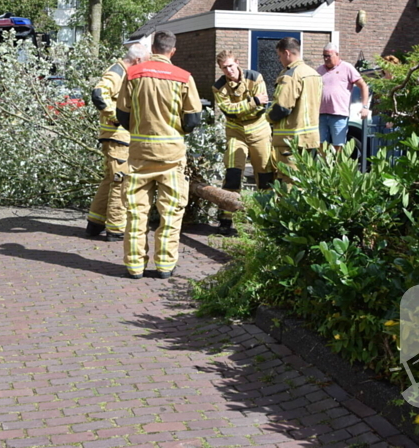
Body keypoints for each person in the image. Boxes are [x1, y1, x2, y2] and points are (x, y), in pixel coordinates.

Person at [116, 31, 202, 279]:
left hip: (139, 154)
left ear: (152, 48)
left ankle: (134, 266)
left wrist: (139, 129)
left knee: (135, 212)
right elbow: (193, 119)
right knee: (172, 213)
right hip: (172, 156)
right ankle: (164, 266)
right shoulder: (184, 77)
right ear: (172, 51)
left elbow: (122, 114)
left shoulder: (133, 74)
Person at [86, 42, 149, 241]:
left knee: (110, 179)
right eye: (145, 61)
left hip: (115, 136)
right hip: (117, 136)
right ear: (138, 60)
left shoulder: (122, 72)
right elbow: (99, 94)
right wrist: (118, 117)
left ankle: (95, 223)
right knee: (121, 180)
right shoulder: (117, 73)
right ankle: (115, 229)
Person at [212, 50, 272, 236]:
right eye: (224, 68)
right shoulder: (218, 87)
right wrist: (252, 101)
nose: (229, 71)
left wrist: (248, 106)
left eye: (231, 66)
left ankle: (267, 218)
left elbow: (263, 105)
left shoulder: (255, 77)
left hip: (259, 131)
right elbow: (229, 111)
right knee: (232, 172)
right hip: (236, 133)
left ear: (237, 63)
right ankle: (225, 218)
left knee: (265, 174)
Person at [268, 36, 322, 179]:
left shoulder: (291, 75)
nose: (280, 60)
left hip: (290, 140)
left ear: (287, 53)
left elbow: (282, 107)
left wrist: (267, 116)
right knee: (306, 180)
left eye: (280, 56)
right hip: (310, 139)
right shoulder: (314, 74)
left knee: (289, 182)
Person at [317, 42, 370, 152]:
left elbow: (363, 86)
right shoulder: (319, 70)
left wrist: (364, 106)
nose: (326, 59)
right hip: (321, 114)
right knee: (321, 144)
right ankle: (324, 168)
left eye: (328, 56)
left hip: (339, 115)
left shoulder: (347, 68)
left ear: (337, 54)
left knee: (338, 145)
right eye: (324, 56)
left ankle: (338, 168)